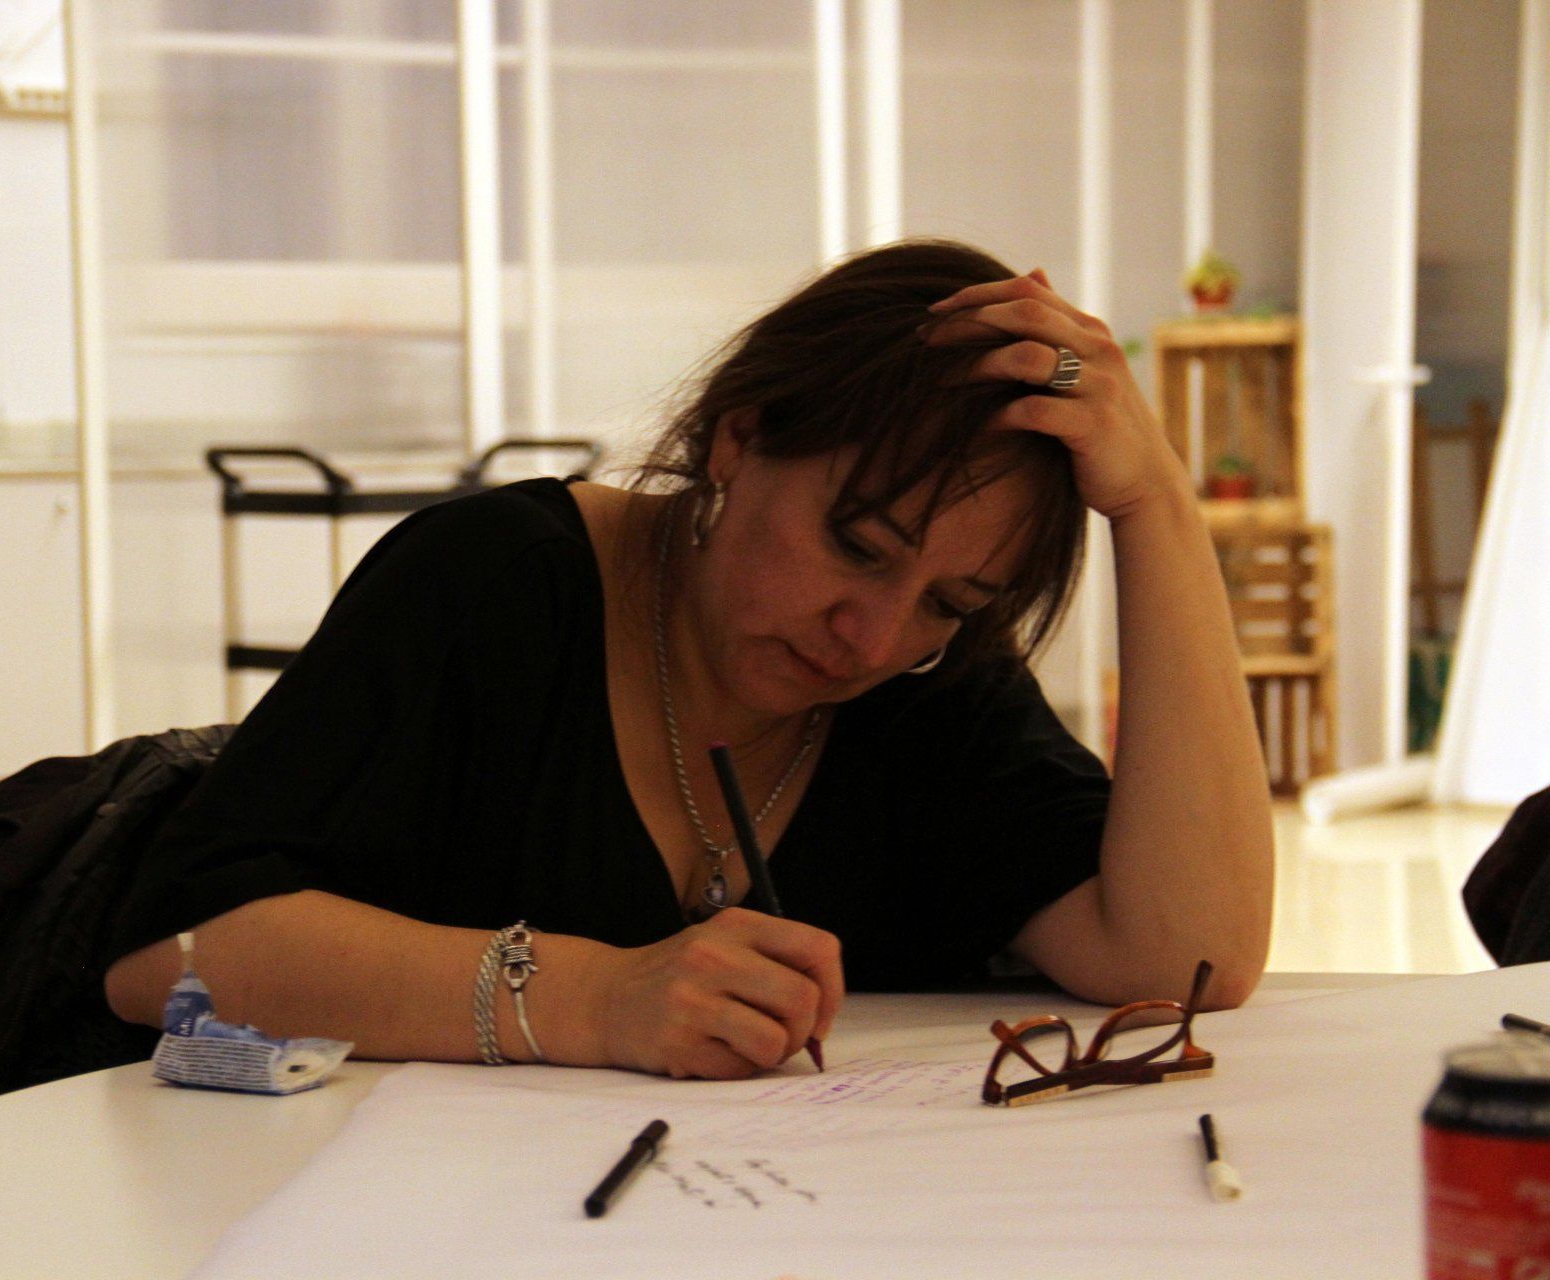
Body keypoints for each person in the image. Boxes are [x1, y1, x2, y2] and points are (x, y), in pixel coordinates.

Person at [102, 238, 1275, 1081]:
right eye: (856, 544)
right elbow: (173, 956)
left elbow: (1192, 958)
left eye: (951, 600)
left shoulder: (932, 690)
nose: (871, 638)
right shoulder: (496, 585)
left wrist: (1157, 507)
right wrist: (595, 999)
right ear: (737, 438)